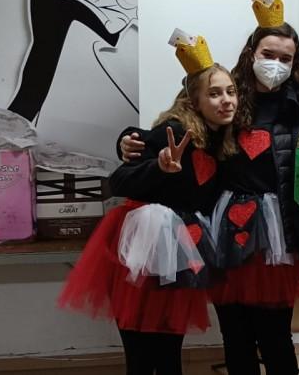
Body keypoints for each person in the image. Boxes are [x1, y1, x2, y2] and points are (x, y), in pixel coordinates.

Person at [119, 0, 299, 375]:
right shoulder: (228, 100)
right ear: (251, 53)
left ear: (295, 63)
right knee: (235, 337)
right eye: (268, 54)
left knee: (275, 337)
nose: (276, 64)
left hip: (278, 237)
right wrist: (126, 140)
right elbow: (178, 125)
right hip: (224, 232)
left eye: (285, 58)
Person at [59, 30, 235, 375]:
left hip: (180, 252)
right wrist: (159, 167)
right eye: (214, 93)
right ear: (193, 101)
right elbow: (119, 180)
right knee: (141, 353)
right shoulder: (173, 131)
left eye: (231, 91)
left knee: (169, 349)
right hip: (142, 249)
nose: (226, 100)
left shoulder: (220, 142)